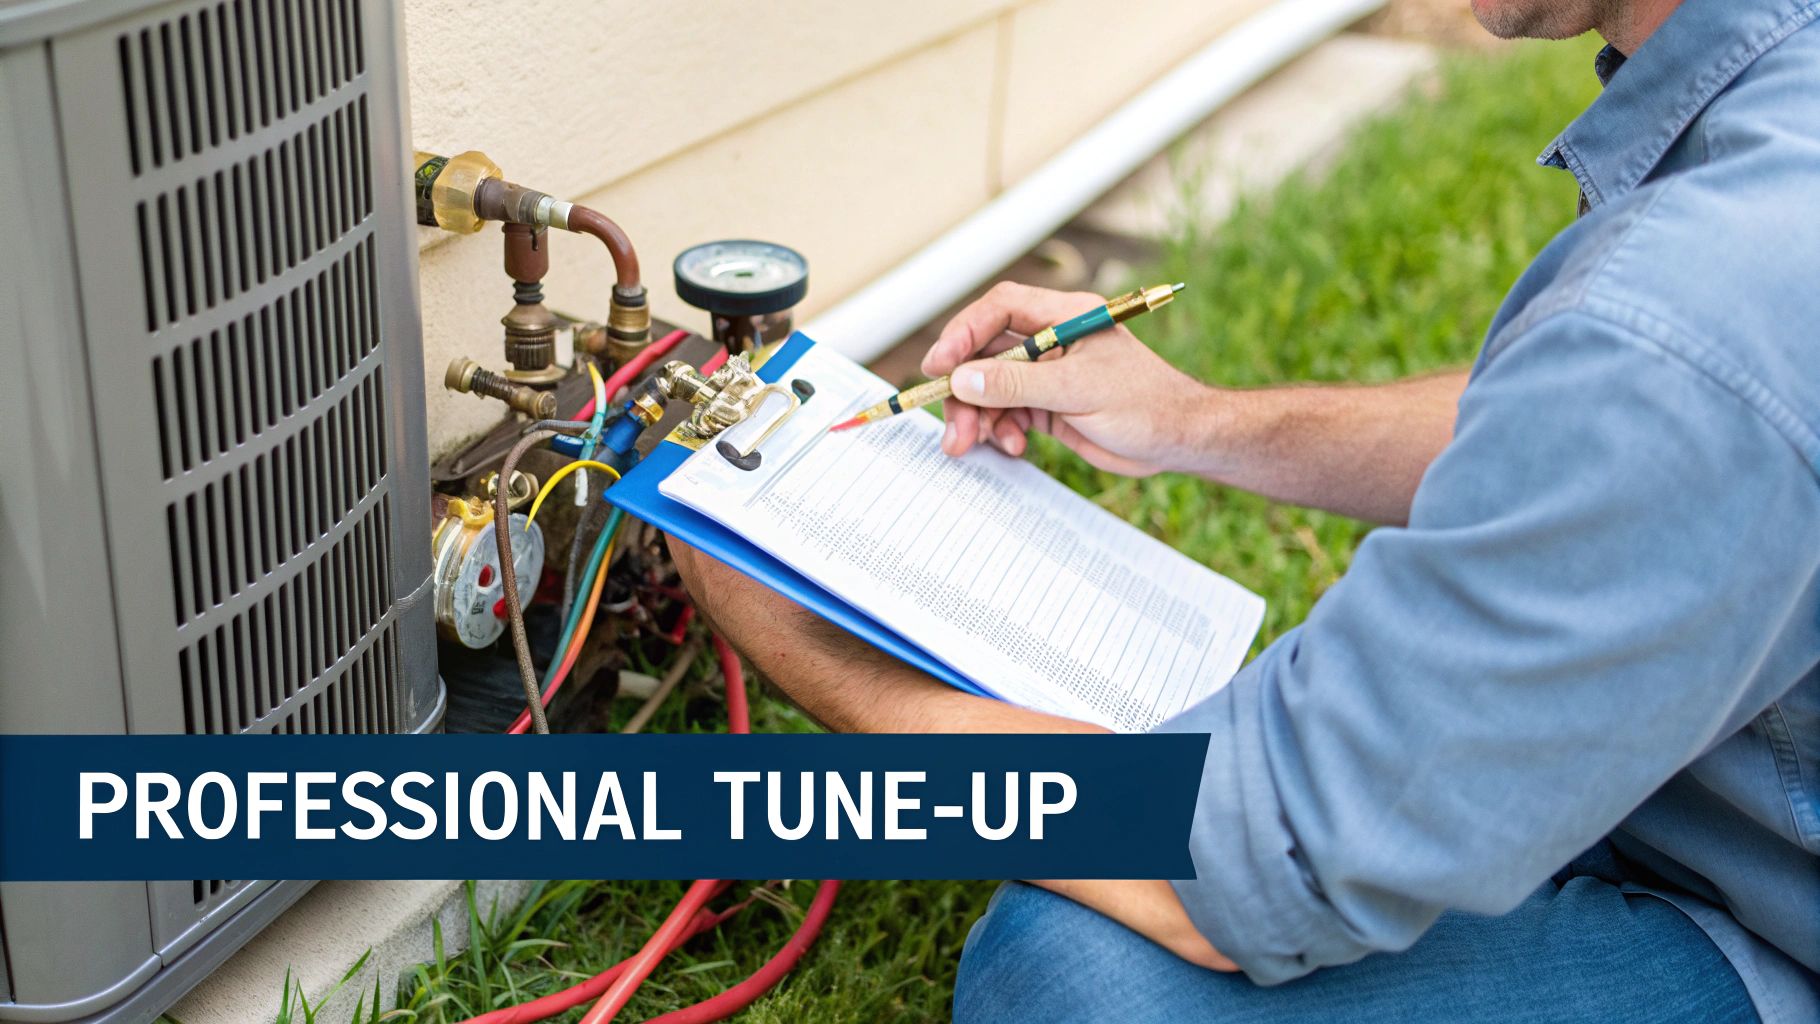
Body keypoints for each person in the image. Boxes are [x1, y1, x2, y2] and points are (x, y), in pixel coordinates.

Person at [667, 0, 1820, 1018]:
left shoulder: (1696, 309)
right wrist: (1195, 421)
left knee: (1080, 981)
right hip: (1726, 787)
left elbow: (1239, 863)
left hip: (1770, 916)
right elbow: (1588, 422)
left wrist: (821, 654)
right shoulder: (1771, 113)